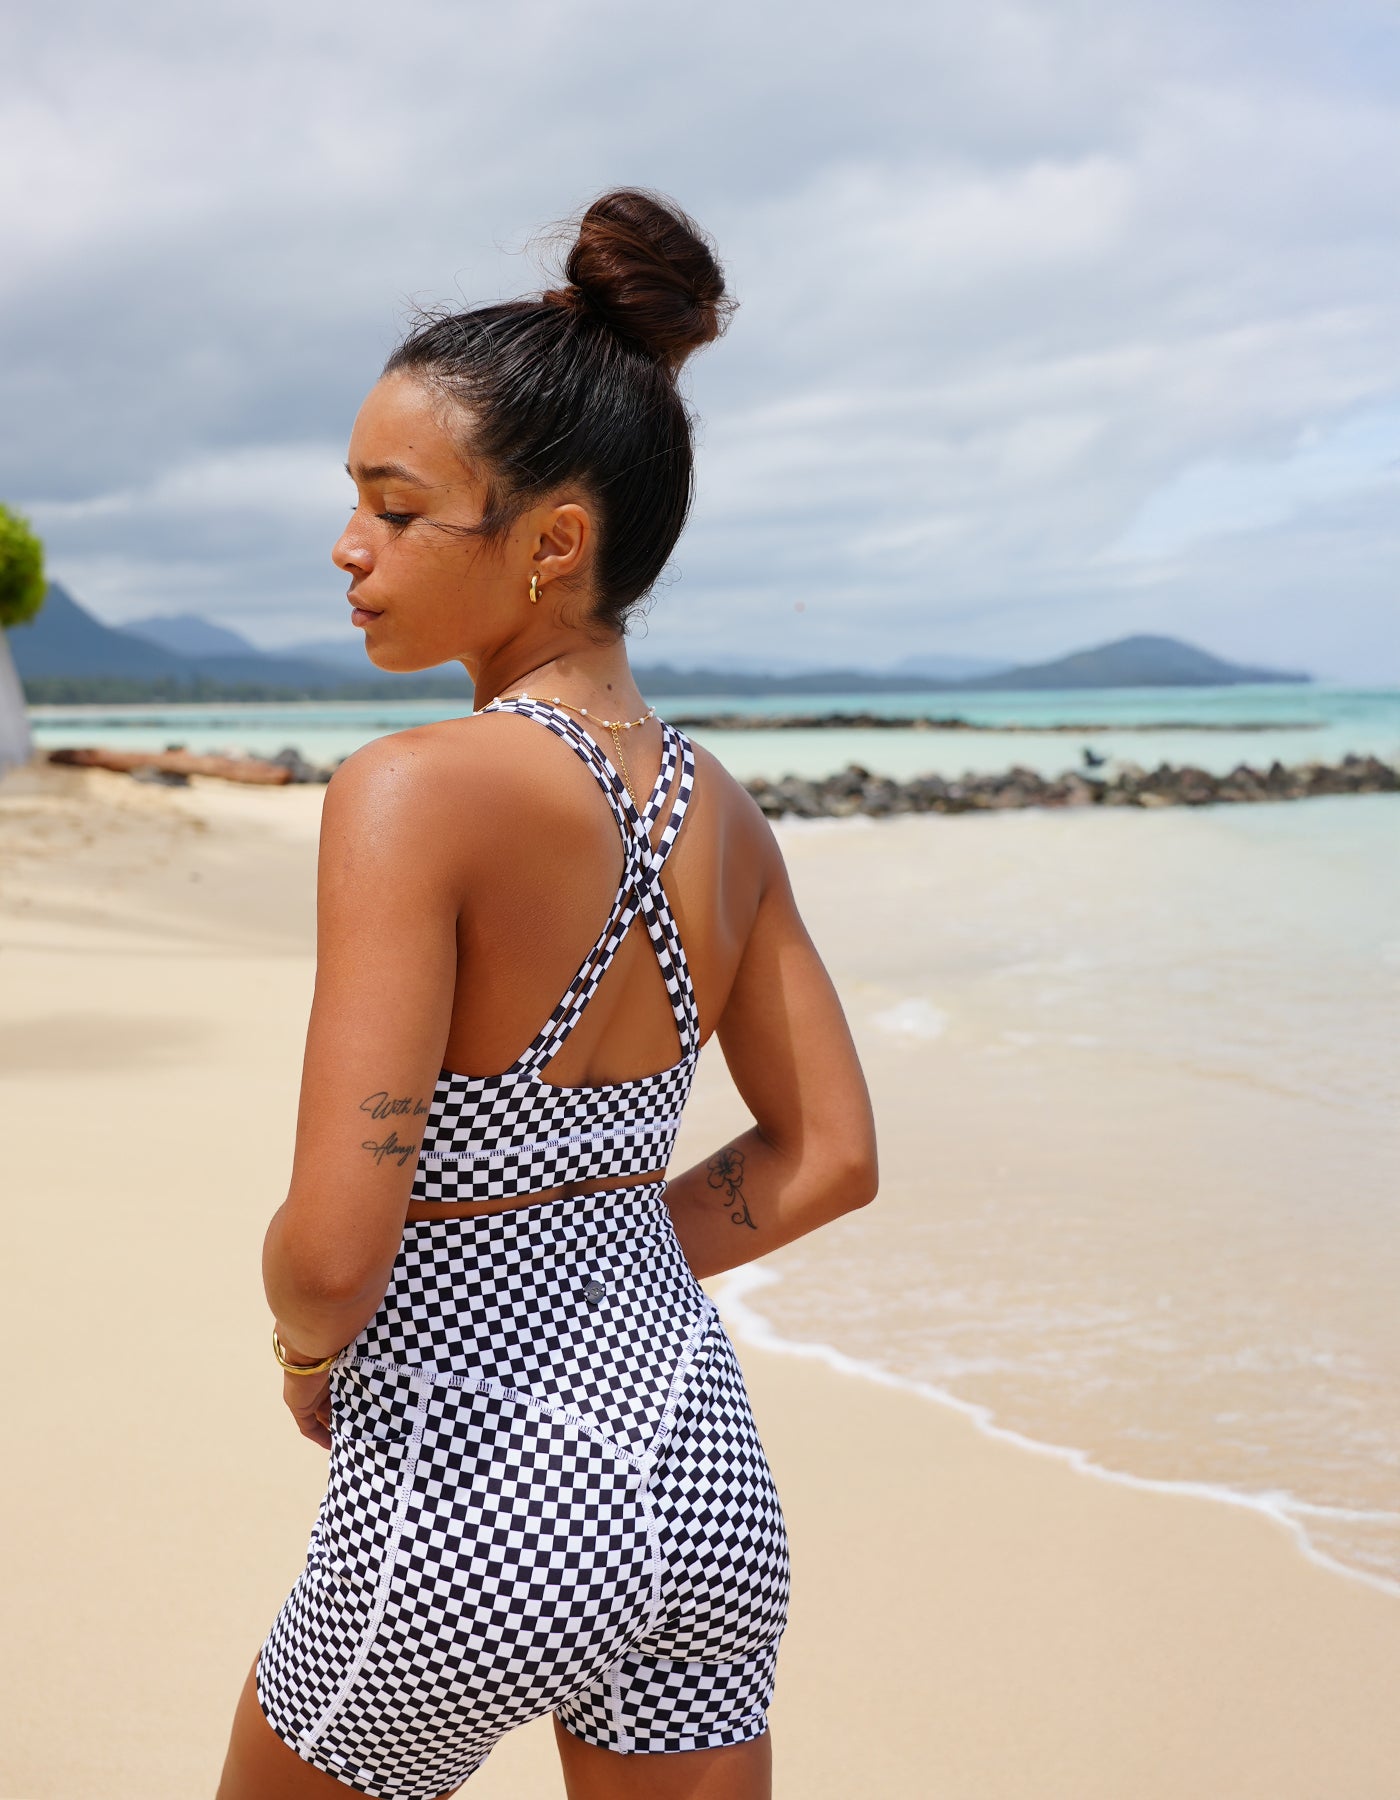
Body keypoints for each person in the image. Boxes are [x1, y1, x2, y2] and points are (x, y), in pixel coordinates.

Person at [217, 187, 878, 1800]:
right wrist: (594, 1254)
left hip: (479, 1487)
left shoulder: (414, 792)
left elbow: (332, 1245)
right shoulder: (721, 813)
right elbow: (828, 1156)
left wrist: (310, 1357)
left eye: (395, 506)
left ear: (552, 543)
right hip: (702, 1469)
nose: (347, 545)